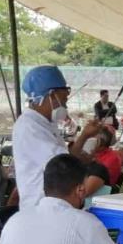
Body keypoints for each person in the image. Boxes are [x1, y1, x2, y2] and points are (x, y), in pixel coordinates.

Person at [12, 65, 101, 209]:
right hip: (40, 208)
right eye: (64, 99)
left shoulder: (46, 123)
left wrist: (85, 137)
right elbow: (63, 165)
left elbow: (66, 158)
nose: (65, 103)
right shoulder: (29, 127)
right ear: (52, 94)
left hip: (57, 206)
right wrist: (83, 141)